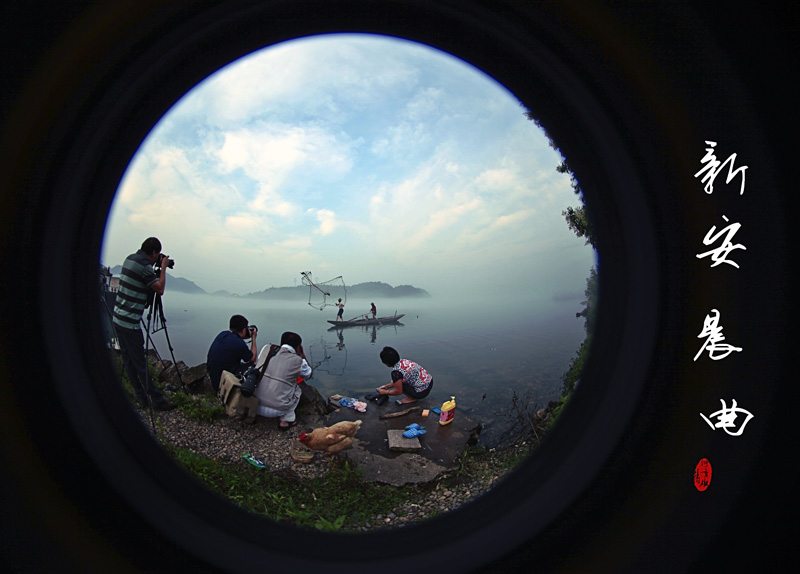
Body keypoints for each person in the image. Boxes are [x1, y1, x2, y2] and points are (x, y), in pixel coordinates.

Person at [112, 237, 175, 410]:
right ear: (154, 253)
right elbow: (160, 289)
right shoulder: (144, 267)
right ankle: (157, 400)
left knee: (129, 361)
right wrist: (163, 268)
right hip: (130, 323)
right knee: (140, 363)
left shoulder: (130, 258)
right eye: (157, 255)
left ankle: (141, 397)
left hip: (118, 318)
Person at [253, 331, 312, 429]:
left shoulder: (267, 349)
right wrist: (302, 354)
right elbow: (308, 374)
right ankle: (286, 420)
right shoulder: (299, 361)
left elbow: (259, 362)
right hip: (279, 409)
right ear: (298, 347)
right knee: (297, 389)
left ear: (281, 344)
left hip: (255, 404)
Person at [206, 314, 258, 393]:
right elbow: (252, 358)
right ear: (244, 330)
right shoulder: (239, 343)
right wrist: (253, 338)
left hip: (214, 378)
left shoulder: (222, 334)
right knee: (253, 368)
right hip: (222, 383)